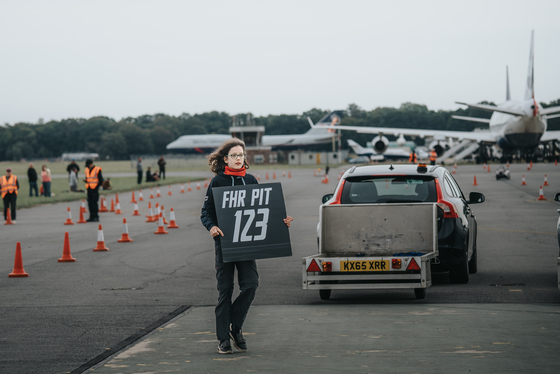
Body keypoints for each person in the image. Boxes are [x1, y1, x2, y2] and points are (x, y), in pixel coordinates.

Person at [200, 138, 293, 355]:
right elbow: (206, 213)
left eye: (241, 155)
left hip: (247, 245)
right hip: (225, 245)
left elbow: (265, 211)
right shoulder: (217, 182)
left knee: (250, 285)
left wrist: (282, 220)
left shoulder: (251, 180)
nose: (238, 158)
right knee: (225, 291)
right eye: (234, 155)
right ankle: (223, 338)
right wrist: (211, 227)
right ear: (225, 159)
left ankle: (235, 326)